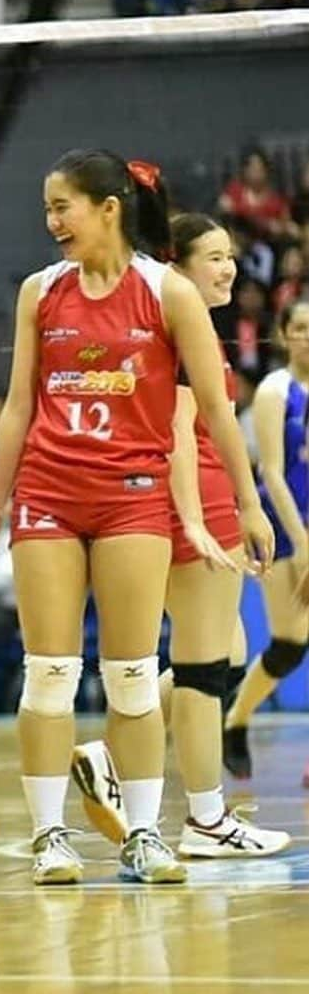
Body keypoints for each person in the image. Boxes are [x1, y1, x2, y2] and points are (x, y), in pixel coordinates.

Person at [0, 150, 273, 886]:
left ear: (108, 208)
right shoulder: (39, 292)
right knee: (47, 675)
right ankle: (50, 838)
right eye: (46, 207)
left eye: (62, 205)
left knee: (132, 678)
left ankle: (142, 834)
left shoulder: (167, 292)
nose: (51, 221)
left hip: (132, 493)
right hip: (48, 490)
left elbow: (214, 410)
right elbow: (16, 405)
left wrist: (247, 500)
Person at [72, 213, 288, 858]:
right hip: (193, 511)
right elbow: (177, 440)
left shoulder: (188, 329)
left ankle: (117, 758)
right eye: (214, 257)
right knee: (205, 666)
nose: (228, 269)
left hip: (196, 508)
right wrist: (197, 521)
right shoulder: (177, 328)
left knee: (223, 652)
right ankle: (204, 817)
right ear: (178, 266)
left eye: (231, 257)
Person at [224, 300, 309, 779]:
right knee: (290, 644)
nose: (308, 336)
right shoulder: (277, 392)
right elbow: (272, 473)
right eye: (299, 328)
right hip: (283, 526)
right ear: (284, 335)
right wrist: (304, 544)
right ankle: (234, 721)